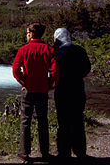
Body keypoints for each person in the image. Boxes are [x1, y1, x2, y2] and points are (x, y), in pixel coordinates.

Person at [12, 23, 60, 162]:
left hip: (28, 91)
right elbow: (55, 71)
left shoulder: (24, 50)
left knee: (25, 121)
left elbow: (15, 69)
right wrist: (51, 85)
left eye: (27, 33)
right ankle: (45, 153)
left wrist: (23, 82)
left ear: (32, 34)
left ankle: (24, 153)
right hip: (42, 91)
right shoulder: (49, 49)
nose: (26, 35)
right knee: (42, 121)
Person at [53, 28, 91, 162]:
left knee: (63, 122)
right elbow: (87, 68)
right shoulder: (80, 50)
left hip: (62, 91)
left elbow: (52, 73)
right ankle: (80, 152)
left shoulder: (57, 54)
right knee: (78, 121)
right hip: (78, 90)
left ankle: (64, 152)